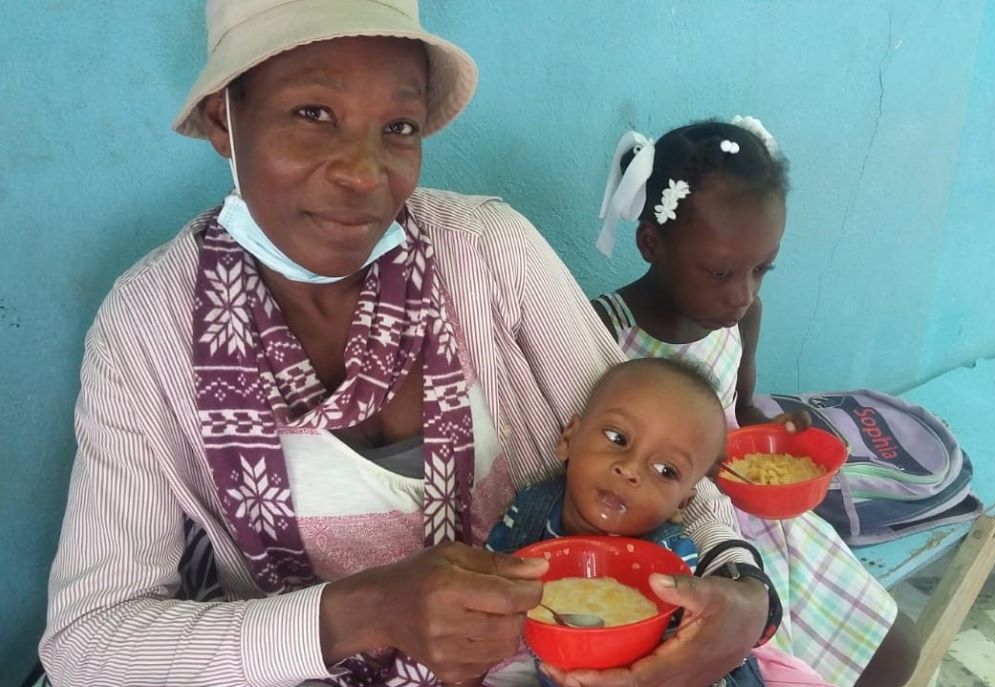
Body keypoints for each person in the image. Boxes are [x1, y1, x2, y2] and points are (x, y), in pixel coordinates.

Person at [40, 3, 779, 687]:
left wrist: (746, 593)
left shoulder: (487, 252)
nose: (364, 172)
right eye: (313, 113)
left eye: (398, 127)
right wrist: (361, 611)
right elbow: (88, 641)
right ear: (223, 119)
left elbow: (665, 450)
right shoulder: (149, 329)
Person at [591, 118, 919, 686]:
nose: (743, 294)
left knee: (895, 650)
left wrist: (779, 432)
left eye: (761, 269)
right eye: (720, 272)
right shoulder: (602, 334)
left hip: (761, 520)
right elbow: (600, 458)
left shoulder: (740, 319)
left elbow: (739, 409)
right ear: (652, 243)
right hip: (679, 535)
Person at [487, 358, 832, 687]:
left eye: (666, 471)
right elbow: (489, 584)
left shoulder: (675, 559)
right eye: (617, 438)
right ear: (568, 439)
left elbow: (730, 582)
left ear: (682, 502)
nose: (631, 469)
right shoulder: (528, 509)